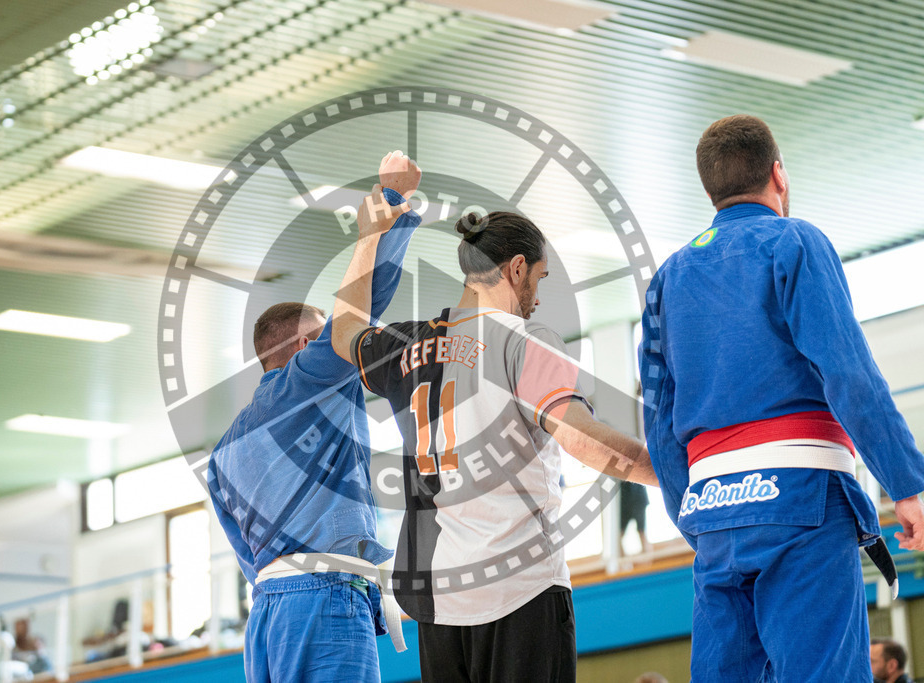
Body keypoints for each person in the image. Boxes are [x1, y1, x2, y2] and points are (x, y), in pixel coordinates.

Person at [639, 114, 924, 682]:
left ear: (710, 191)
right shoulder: (794, 241)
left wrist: (693, 513)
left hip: (713, 510)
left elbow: (659, 415)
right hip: (800, 496)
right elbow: (849, 373)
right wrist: (907, 484)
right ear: (778, 175)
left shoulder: (667, 278)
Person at [331, 198, 658, 682]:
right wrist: (675, 472)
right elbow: (586, 441)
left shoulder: (407, 346)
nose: (537, 298)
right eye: (539, 279)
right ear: (516, 268)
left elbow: (344, 330)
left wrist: (369, 236)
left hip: (439, 602)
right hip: (520, 589)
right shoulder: (524, 339)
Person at [206, 152, 421, 682]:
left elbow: (248, 557)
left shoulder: (222, 454)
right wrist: (391, 204)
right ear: (306, 348)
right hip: (324, 600)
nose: (349, 349)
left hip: (267, 617)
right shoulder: (307, 380)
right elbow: (358, 313)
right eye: (329, 339)